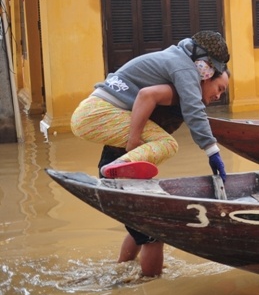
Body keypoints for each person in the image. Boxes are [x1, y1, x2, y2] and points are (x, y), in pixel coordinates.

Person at [69, 30, 231, 277]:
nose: (218, 95)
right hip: (98, 117)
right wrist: (212, 151)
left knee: (138, 228)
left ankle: (121, 270)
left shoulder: (173, 64)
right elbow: (181, 107)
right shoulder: (183, 72)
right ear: (205, 71)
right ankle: (151, 287)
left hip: (106, 131)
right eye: (219, 86)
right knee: (154, 234)